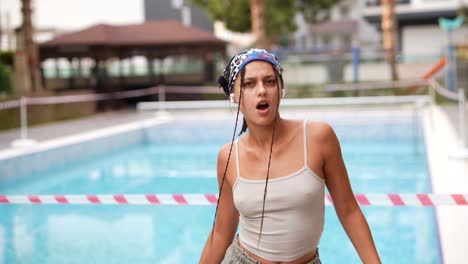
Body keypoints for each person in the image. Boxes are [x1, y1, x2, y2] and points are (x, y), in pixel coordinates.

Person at [199, 48, 381, 264]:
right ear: (234, 96)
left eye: (269, 81)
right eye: (249, 84)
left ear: (281, 89)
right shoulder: (228, 156)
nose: (261, 91)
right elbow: (221, 233)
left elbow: (349, 211)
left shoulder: (318, 138)